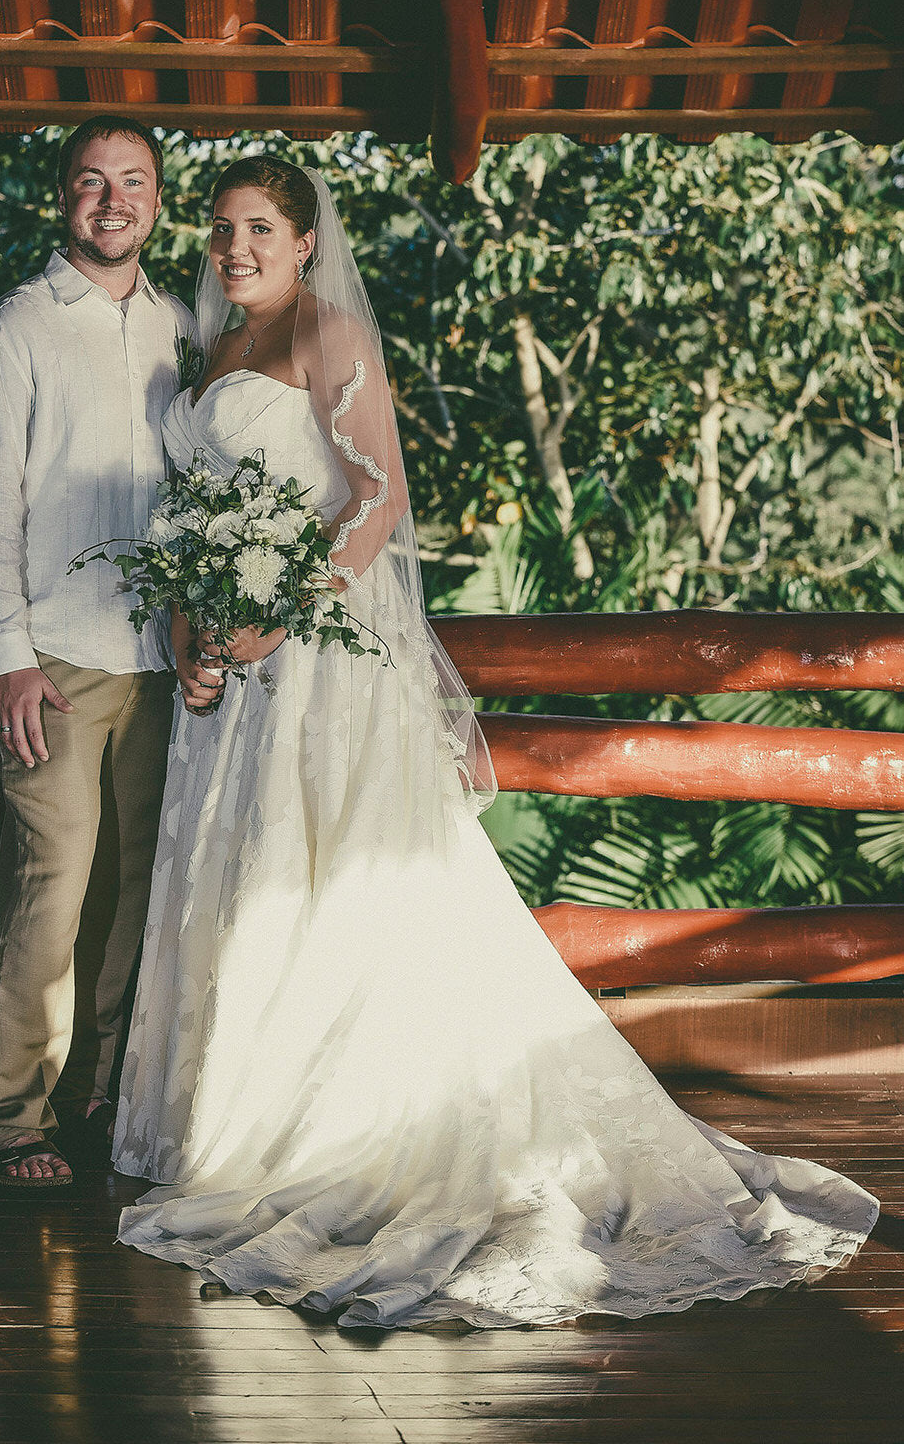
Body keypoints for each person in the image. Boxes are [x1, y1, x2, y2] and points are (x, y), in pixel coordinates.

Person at [111, 155, 878, 1328]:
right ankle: (235, 1113)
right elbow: (186, 519)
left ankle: (330, 1122)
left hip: (319, 657)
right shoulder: (210, 346)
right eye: (220, 230)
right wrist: (191, 626)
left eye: (257, 228)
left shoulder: (326, 332)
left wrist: (280, 613)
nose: (233, 250)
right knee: (239, 870)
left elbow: (375, 498)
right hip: (231, 665)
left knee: (324, 877)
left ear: (307, 240)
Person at [0, 115, 197, 1196]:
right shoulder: (14, 329)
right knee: (49, 894)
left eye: (132, 181)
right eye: (91, 182)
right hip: (52, 657)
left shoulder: (183, 326)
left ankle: (92, 1104)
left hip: (161, 664)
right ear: (63, 198)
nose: (112, 200)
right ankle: (8, 1121)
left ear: (155, 199)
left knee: (128, 898)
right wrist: (8, 654)